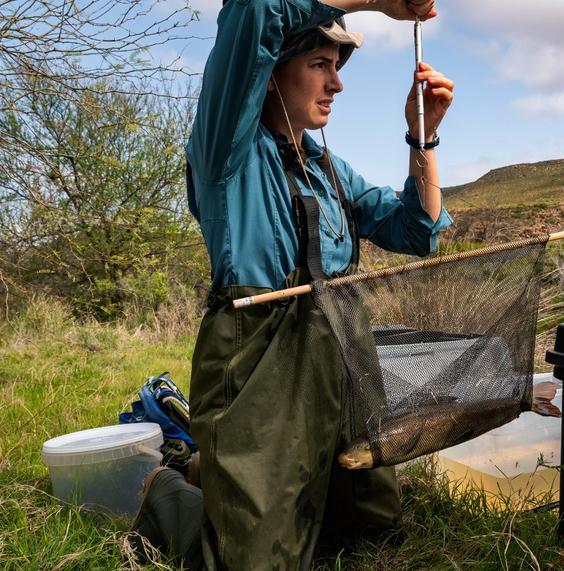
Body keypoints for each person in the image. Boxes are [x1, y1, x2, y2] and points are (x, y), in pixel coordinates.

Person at [146, 0, 455, 569]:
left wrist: (423, 138)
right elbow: (256, 7)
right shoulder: (226, 152)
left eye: (337, 65)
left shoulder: (329, 168)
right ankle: (169, 488)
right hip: (260, 364)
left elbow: (419, 230)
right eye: (319, 63)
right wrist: (381, 3)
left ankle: (216, 469)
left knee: (372, 528)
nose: (337, 82)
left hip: (340, 362)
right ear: (267, 75)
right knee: (259, 558)